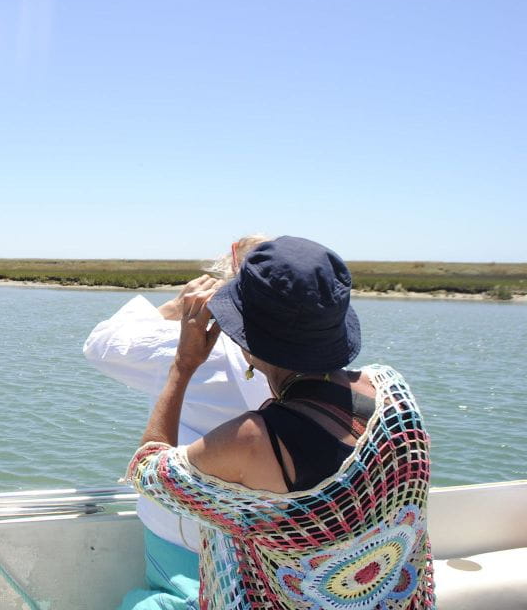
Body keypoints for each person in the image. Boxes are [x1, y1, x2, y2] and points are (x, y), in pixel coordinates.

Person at [126, 236, 435, 609]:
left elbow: (148, 473)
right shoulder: (392, 390)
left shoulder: (253, 440)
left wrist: (183, 365)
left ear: (247, 341)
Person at [83, 235, 271, 609]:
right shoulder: (336, 374)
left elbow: (100, 346)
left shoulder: (197, 348)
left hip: (184, 537)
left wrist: (174, 310)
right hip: (273, 542)